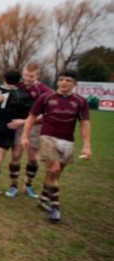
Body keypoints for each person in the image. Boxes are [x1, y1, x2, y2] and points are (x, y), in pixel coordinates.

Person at [21, 70, 91, 222]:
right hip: (47, 138)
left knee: (55, 174)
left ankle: (44, 199)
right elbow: (31, 117)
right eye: (61, 79)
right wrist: (24, 135)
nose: (64, 83)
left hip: (68, 141)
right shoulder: (46, 97)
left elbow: (85, 123)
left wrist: (86, 145)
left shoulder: (80, 102)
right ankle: (55, 208)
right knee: (54, 169)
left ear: (75, 84)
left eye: (68, 80)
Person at [3, 62, 53, 199]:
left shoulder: (45, 91)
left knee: (32, 158)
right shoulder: (18, 86)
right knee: (16, 155)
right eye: (25, 75)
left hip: (35, 127)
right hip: (18, 126)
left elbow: (47, 114)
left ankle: (28, 185)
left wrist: (24, 122)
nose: (27, 78)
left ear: (37, 75)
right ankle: (13, 186)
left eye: (31, 76)